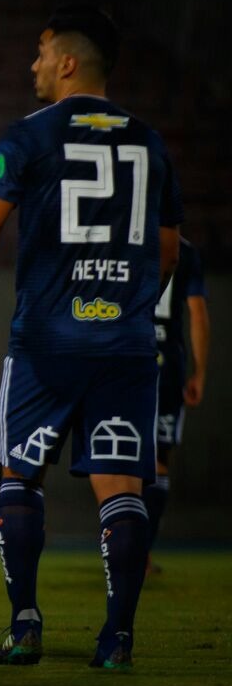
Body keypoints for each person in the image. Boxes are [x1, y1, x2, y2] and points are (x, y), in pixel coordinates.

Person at [0, 6, 182, 670]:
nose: (32, 65)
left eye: (40, 53)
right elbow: (168, 248)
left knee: (19, 476)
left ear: (67, 61)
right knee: (121, 488)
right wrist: (123, 301)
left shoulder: (28, 136)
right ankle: (117, 638)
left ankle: (25, 623)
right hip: (124, 345)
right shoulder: (151, 141)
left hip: (45, 342)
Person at [146, 238, 208, 570]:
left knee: (115, 459)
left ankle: (121, 545)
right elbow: (197, 313)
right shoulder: (186, 251)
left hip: (124, 351)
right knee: (158, 460)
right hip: (167, 362)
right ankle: (141, 551)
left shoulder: (127, 236)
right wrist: (199, 371)